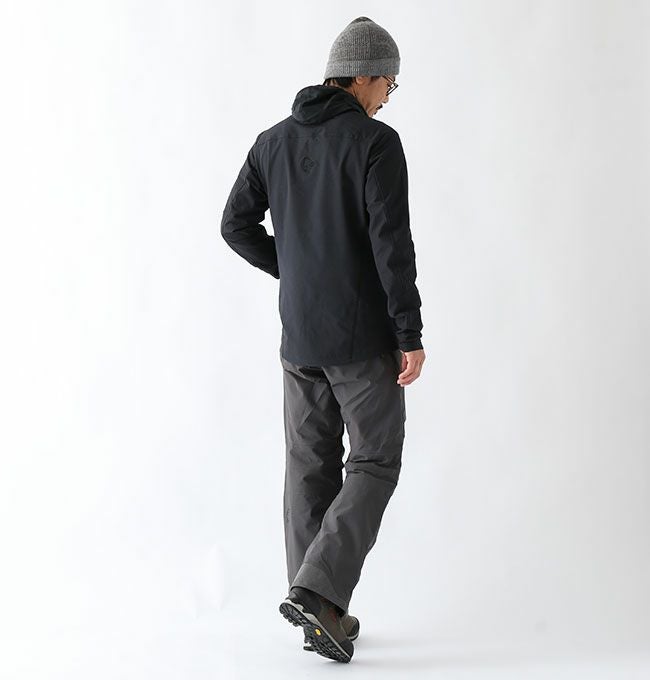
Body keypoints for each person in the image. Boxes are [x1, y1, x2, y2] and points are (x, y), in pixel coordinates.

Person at [220, 16, 425, 662]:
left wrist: (298, 271)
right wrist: (410, 331)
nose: (388, 96)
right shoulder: (375, 143)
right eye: (388, 83)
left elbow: (234, 225)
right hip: (361, 337)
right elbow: (392, 246)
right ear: (361, 77)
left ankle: (320, 609)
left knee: (309, 466)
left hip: (299, 337)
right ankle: (318, 591)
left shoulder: (272, 142)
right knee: (375, 460)